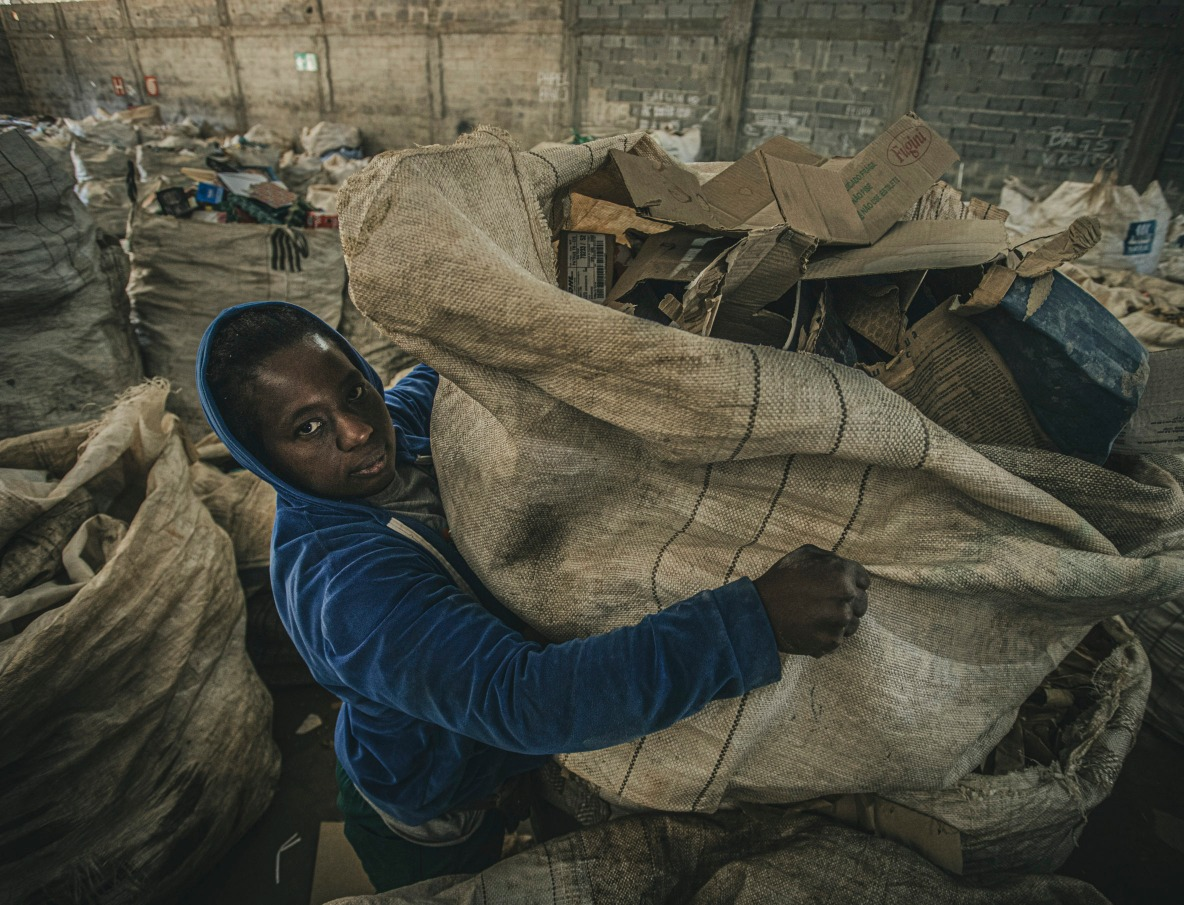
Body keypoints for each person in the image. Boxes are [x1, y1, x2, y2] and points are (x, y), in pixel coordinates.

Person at [196, 301, 871, 890]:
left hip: (485, 754)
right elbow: (529, 699)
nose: (356, 429)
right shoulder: (348, 590)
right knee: (460, 883)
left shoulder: (399, 434)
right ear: (263, 457)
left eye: (352, 391)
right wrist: (751, 619)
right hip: (430, 803)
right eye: (307, 428)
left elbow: (449, 376)